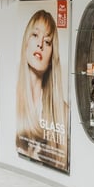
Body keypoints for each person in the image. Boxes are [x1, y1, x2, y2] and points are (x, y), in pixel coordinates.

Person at [15, 9, 69, 172]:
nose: (40, 44)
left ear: (52, 58)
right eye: (35, 35)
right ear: (26, 42)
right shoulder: (11, 102)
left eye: (47, 42)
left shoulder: (63, 113)